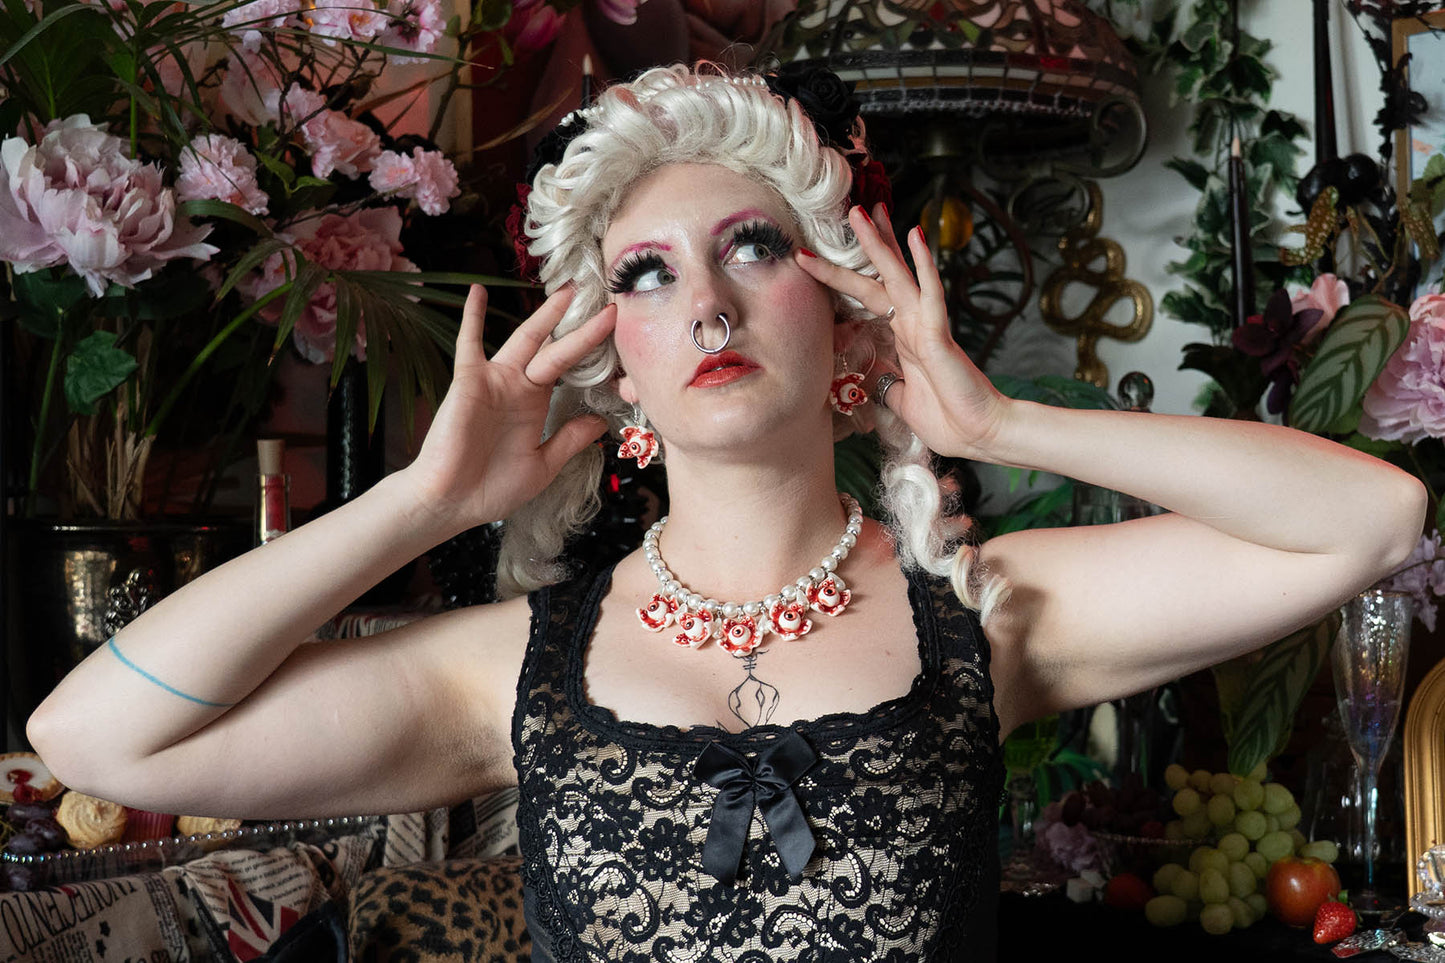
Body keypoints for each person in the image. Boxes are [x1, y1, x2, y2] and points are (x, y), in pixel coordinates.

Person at [27, 63, 1426, 961]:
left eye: (752, 247)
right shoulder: (513, 665)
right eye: (642, 273)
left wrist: (997, 422)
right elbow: (94, 736)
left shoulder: (987, 613)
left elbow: (1369, 518)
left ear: (843, 324)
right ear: (612, 362)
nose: (702, 300)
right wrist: (421, 500)